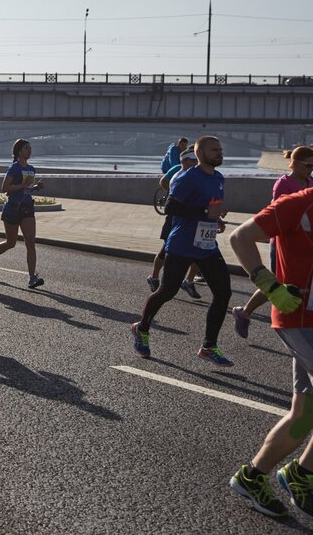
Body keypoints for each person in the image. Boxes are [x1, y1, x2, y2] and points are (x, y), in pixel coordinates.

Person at [226, 183, 313, 518]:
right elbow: (241, 237)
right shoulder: (298, 204)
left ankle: (255, 477)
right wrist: (269, 285)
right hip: (299, 318)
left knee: (305, 414)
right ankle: (301, 474)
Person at [132, 136, 234, 366]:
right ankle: (142, 328)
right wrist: (205, 210)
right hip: (182, 244)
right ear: (200, 153)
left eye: (220, 149)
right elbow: (171, 207)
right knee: (168, 291)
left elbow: (210, 209)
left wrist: (215, 220)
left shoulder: (218, 178)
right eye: (214, 150)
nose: (219, 153)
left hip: (206, 245)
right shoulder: (187, 177)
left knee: (223, 293)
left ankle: (209, 346)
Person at [231, 146, 313, 339]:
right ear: (295, 163)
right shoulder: (283, 185)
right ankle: (244, 313)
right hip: (283, 244)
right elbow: (279, 216)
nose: (311, 169)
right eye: (308, 165)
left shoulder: (310, 182)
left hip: (303, 246)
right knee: (280, 284)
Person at [0, 139, 46, 289]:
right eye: (26, 148)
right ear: (19, 152)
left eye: (30, 148)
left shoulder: (31, 169)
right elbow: (5, 188)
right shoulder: (14, 168)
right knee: (10, 242)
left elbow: (27, 189)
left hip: (27, 208)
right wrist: (22, 185)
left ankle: (32, 278)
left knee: (30, 243)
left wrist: (36, 187)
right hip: (12, 208)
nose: (29, 151)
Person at [147, 146, 203, 295]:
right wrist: (172, 194)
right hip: (176, 219)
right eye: (193, 160)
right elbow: (164, 182)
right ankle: (154, 277)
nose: (196, 162)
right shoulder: (179, 172)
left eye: (197, 159)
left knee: (200, 250)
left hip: (197, 220)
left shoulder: (202, 174)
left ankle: (188, 281)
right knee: (166, 250)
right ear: (184, 160)